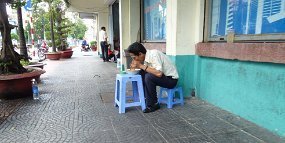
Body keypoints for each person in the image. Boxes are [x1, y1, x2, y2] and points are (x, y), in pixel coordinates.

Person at [127, 42, 179, 113]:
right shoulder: (146, 57)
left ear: (140, 54)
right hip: (164, 77)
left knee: (149, 77)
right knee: (142, 73)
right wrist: (137, 67)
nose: (134, 59)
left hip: (171, 80)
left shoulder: (154, 54)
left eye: (134, 57)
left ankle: (153, 104)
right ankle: (146, 98)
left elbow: (159, 73)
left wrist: (141, 66)